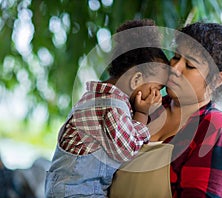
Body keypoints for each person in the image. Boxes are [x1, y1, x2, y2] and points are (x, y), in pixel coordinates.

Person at [109, 22, 222, 197]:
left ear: (217, 79)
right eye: (175, 57)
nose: (175, 68)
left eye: (190, 65)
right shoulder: (143, 105)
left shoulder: (216, 129)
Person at [44, 19, 169, 198]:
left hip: (66, 188)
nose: (157, 95)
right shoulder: (112, 106)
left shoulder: (98, 96)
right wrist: (142, 113)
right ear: (136, 80)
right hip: (78, 191)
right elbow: (128, 151)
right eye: (156, 88)